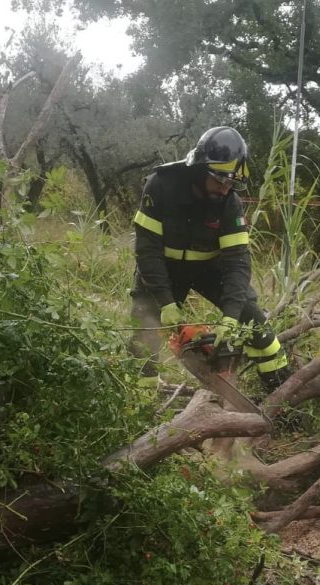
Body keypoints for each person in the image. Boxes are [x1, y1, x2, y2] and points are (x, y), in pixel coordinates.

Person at [129, 126, 292, 392]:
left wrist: (231, 316)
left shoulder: (230, 203)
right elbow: (147, 250)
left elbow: (237, 261)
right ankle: (143, 395)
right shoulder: (160, 186)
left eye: (230, 184)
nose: (224, 188)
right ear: (199, 169)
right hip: (164, 269)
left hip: (210, 269)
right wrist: (165, 301)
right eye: (219, 180)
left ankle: (280, 394)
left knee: (256, 325)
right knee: (144, 327)